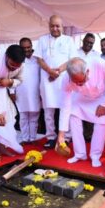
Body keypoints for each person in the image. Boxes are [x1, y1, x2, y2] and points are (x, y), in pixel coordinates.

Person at [56, 57, 105, 167]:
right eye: (76, 82)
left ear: (87, 72)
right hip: (82, 97)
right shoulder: (66, 79)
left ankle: (95, 155)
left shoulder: (98, 63)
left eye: (81, 81)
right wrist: (61, 135)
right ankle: (80, 154)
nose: (80, 84)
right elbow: (65, 106)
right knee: (73, 115)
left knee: (101, 123)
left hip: (103, 96)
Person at [33, 15, 78, 148]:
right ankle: (51, 136)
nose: (55, 28)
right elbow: (39, 59)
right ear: (49, 26)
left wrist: (57, 72)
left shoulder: (69, 40)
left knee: (65, 108)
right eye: (52, 25)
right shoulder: (42, 39)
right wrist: (49, 71)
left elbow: (72, 59)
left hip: (63, 80)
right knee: (48, 110)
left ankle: (66, 136)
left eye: (57, 26)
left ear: (62, 27)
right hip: (47, 80)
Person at [15, 37, 41, 144]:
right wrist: (12, 91)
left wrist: (42, 92)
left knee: (34, 117)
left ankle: (33, 138)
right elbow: (12, 77)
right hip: (21, 93)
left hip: (35, 93)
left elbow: (42, 77)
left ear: (32, 46)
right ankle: (25, 139)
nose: (26, 49)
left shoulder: (38, 60)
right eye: (23, 47)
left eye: (28, 47)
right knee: (23, 117)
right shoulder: (16, 60)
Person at [77, 33, 100, 142]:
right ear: (83, 41)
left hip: (90, 87)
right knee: (77, 112)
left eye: (91, 43)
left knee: (89, 111)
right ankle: (77, 135)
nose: (89, 44)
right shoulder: (75, 53)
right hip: (76, 87)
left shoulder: (96, 55)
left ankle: (89, 135)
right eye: (87, 42)